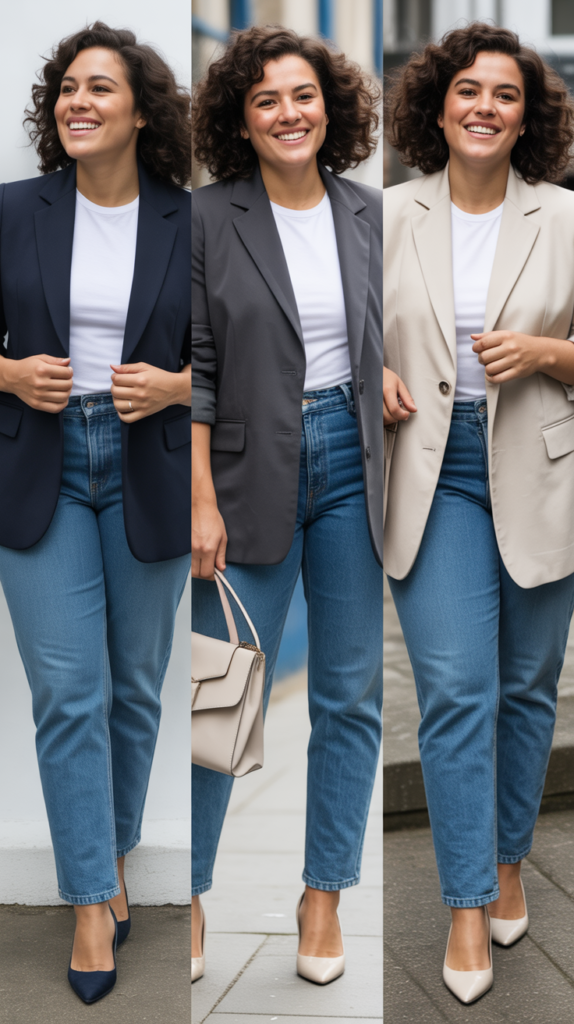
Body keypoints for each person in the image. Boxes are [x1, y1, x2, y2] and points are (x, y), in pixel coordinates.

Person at [0, 22, 191, 1005]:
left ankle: (110, 853)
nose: (77, 100)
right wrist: (4, 369)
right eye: (66, 88)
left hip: (146, 466)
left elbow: (257, 362)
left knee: (135, 688)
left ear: (141, 111)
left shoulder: (189, 220)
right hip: (39, 466)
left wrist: (177, 387)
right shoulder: (12, 210)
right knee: (69, 690)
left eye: (99, 87)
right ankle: (88, 897)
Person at [384, 22, 574, 1004]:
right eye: (468, 89)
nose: (484, 106)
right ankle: (466, 903)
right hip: (432, 469)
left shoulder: (564, 217)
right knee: (457, 687)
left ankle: (508, 860)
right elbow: (335, 338)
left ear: (526, 114)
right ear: (437, 102)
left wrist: (543, 353)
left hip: (539, 466)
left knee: (525, 688)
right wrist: (371, 373)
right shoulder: (386, 214)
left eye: (505, 94)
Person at [192, 25, 382, 986]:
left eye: (302, 94)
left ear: (330, 105)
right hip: (241, 474)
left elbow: (397, 333)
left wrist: (391, 381)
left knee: (350, 697)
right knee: (219, 693)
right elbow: (197, 368)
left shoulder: (369, 212)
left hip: (354, 465)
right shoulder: (205, 217)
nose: (287, 112)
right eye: (265, 99)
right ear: (241, 117)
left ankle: (323, 898)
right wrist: (198, 501)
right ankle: (187, 892)